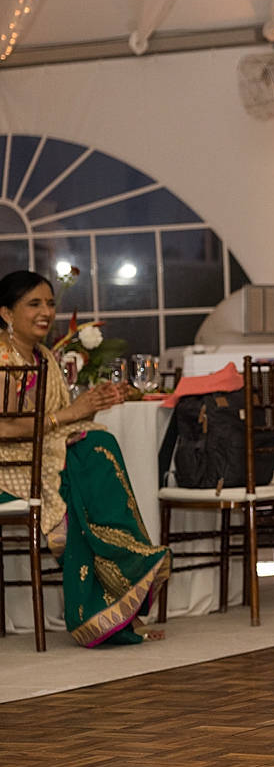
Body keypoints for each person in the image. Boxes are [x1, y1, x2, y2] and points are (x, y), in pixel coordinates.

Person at [0, 270, 170, 646]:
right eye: (34, 304)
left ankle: (119, 599)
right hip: (7, 468)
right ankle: (117, 585)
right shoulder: (1, 358)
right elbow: (7, 429)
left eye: (49, 303)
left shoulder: (45, 357)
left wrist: (96, 404)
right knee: (86, 463)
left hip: (42, 457)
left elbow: (61, 422)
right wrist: (73, 415)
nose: (46, 311)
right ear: (7, 313)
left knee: (96, 443)